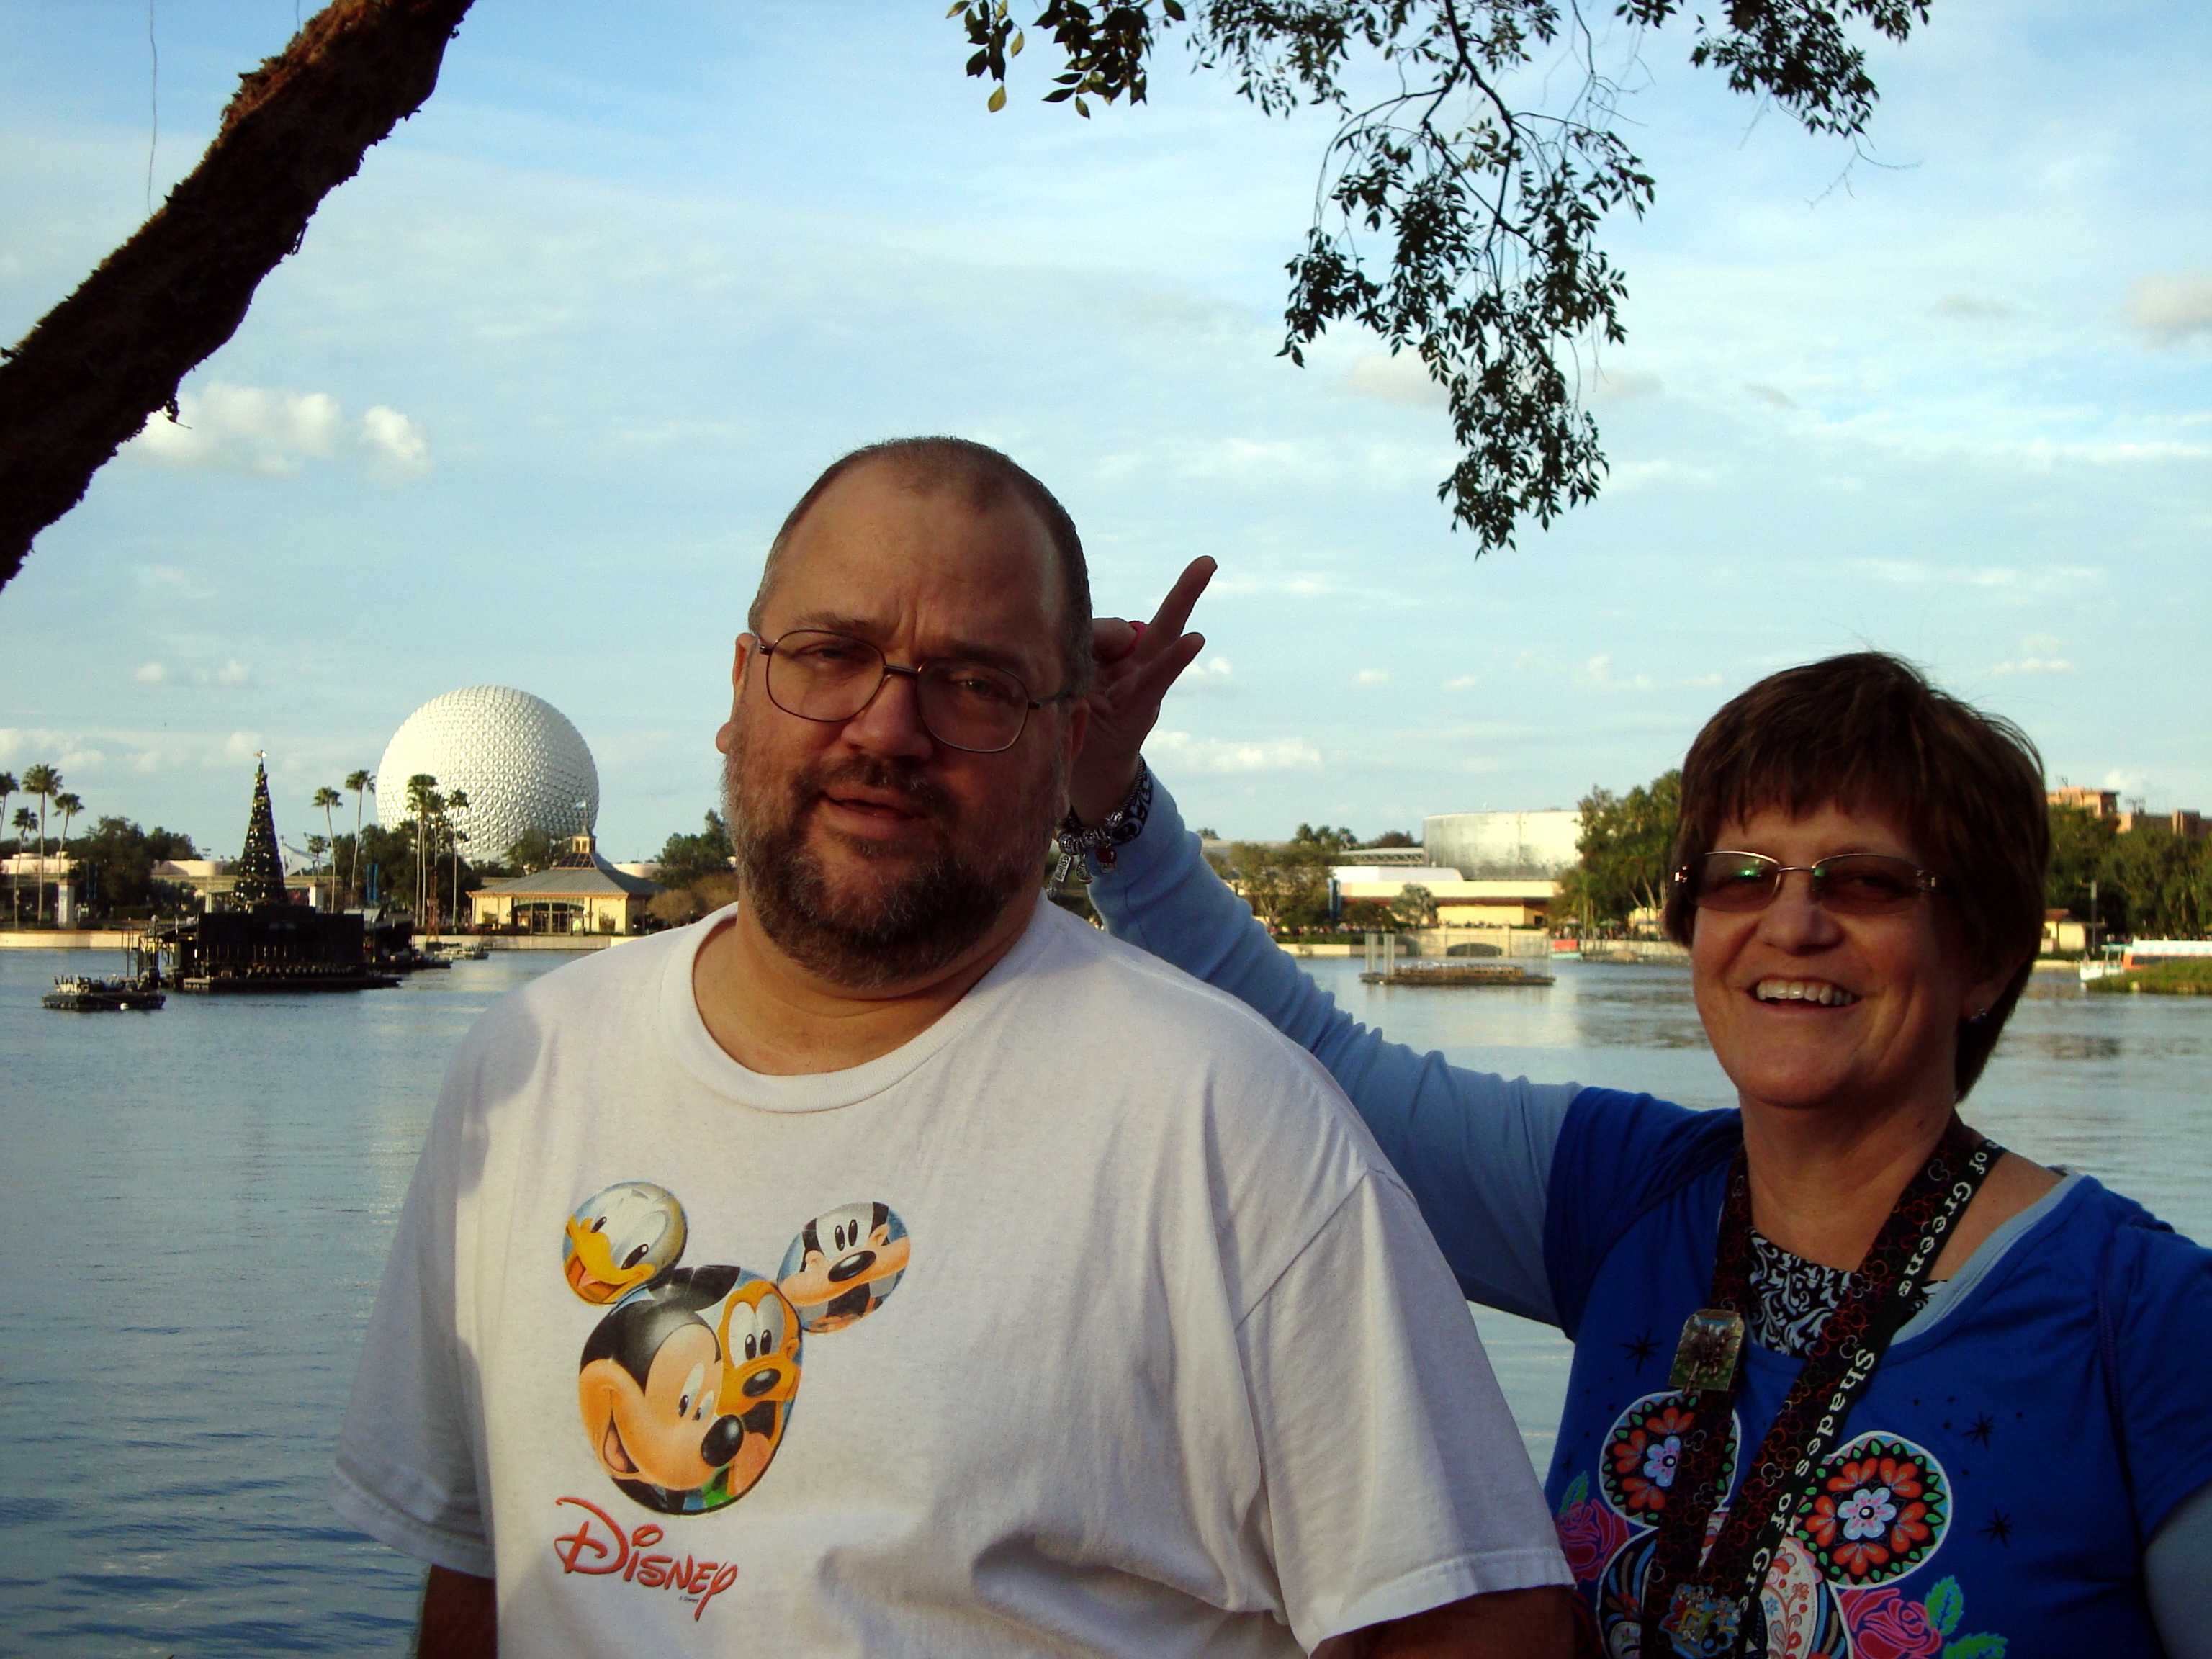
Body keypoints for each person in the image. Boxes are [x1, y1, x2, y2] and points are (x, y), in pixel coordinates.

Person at [331, 440, 1576, 1657]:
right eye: (831, 654)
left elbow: (1485, 1620)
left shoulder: (1231, 1124)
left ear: (1067, 742)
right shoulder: (524, 1067)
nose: (887, 729)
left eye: (974, 684)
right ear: (740, 686)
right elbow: (482, 1565)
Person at [1069, 560, 2212, 1658]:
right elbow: (1315, 1061)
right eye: (1741, 876)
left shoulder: (2147, 1321)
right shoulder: (1625, 1196)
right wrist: (1108, 790)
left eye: (1865, 881)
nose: (1793, 924)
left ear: (1989, 957)